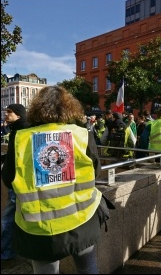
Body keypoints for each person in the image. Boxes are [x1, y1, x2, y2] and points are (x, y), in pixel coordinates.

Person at [2, 85, 114, 274]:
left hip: (39, 228)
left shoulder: (21, 137)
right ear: (69, 108)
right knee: (88, 269)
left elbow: (8, 179)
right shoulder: (81, 134)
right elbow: (95, 172)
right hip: (82, 219)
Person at [1, 104, 30, 269]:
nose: (6, 114)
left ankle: (6, 255)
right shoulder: (17, 129)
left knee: (7, 220)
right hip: (16, 183)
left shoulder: (22, 131)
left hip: (17, 184)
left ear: (18, 115)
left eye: (9, 112)